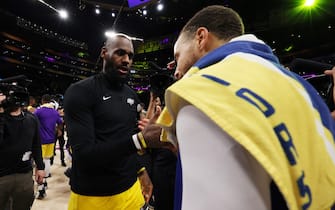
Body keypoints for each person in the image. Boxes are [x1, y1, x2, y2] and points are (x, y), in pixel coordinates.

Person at [140, 5, 335, 210]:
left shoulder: (202, 91)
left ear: (201, 37)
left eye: (178, 56)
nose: (177, 72)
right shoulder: (301, 86)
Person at [64, 33, 154, 210]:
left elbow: (127, 139)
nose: (127, 60)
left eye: (130, 56)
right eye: (120, 53)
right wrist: (140, 140)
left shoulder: (131, 95)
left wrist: (141, 171)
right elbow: (84, 155)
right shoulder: (80, 92)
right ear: (104, 53)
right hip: (94, 195)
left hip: (131, 188)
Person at [0, 87, 45, 209]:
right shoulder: (2, 119)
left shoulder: (31, 119)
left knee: (23, 206)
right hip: (2, 175)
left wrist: (40, 167)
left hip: (24, 174)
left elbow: (36, 144)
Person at [34, 94, 63, 199]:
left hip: (40, 140)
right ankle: (44, 182)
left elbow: (33, 122)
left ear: (42, 100)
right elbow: (60, 122)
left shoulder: (39, 111)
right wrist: (59, 130)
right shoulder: (54, 112)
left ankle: (41, 187)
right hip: (51, 140)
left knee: (39, 163)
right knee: (46, 160)